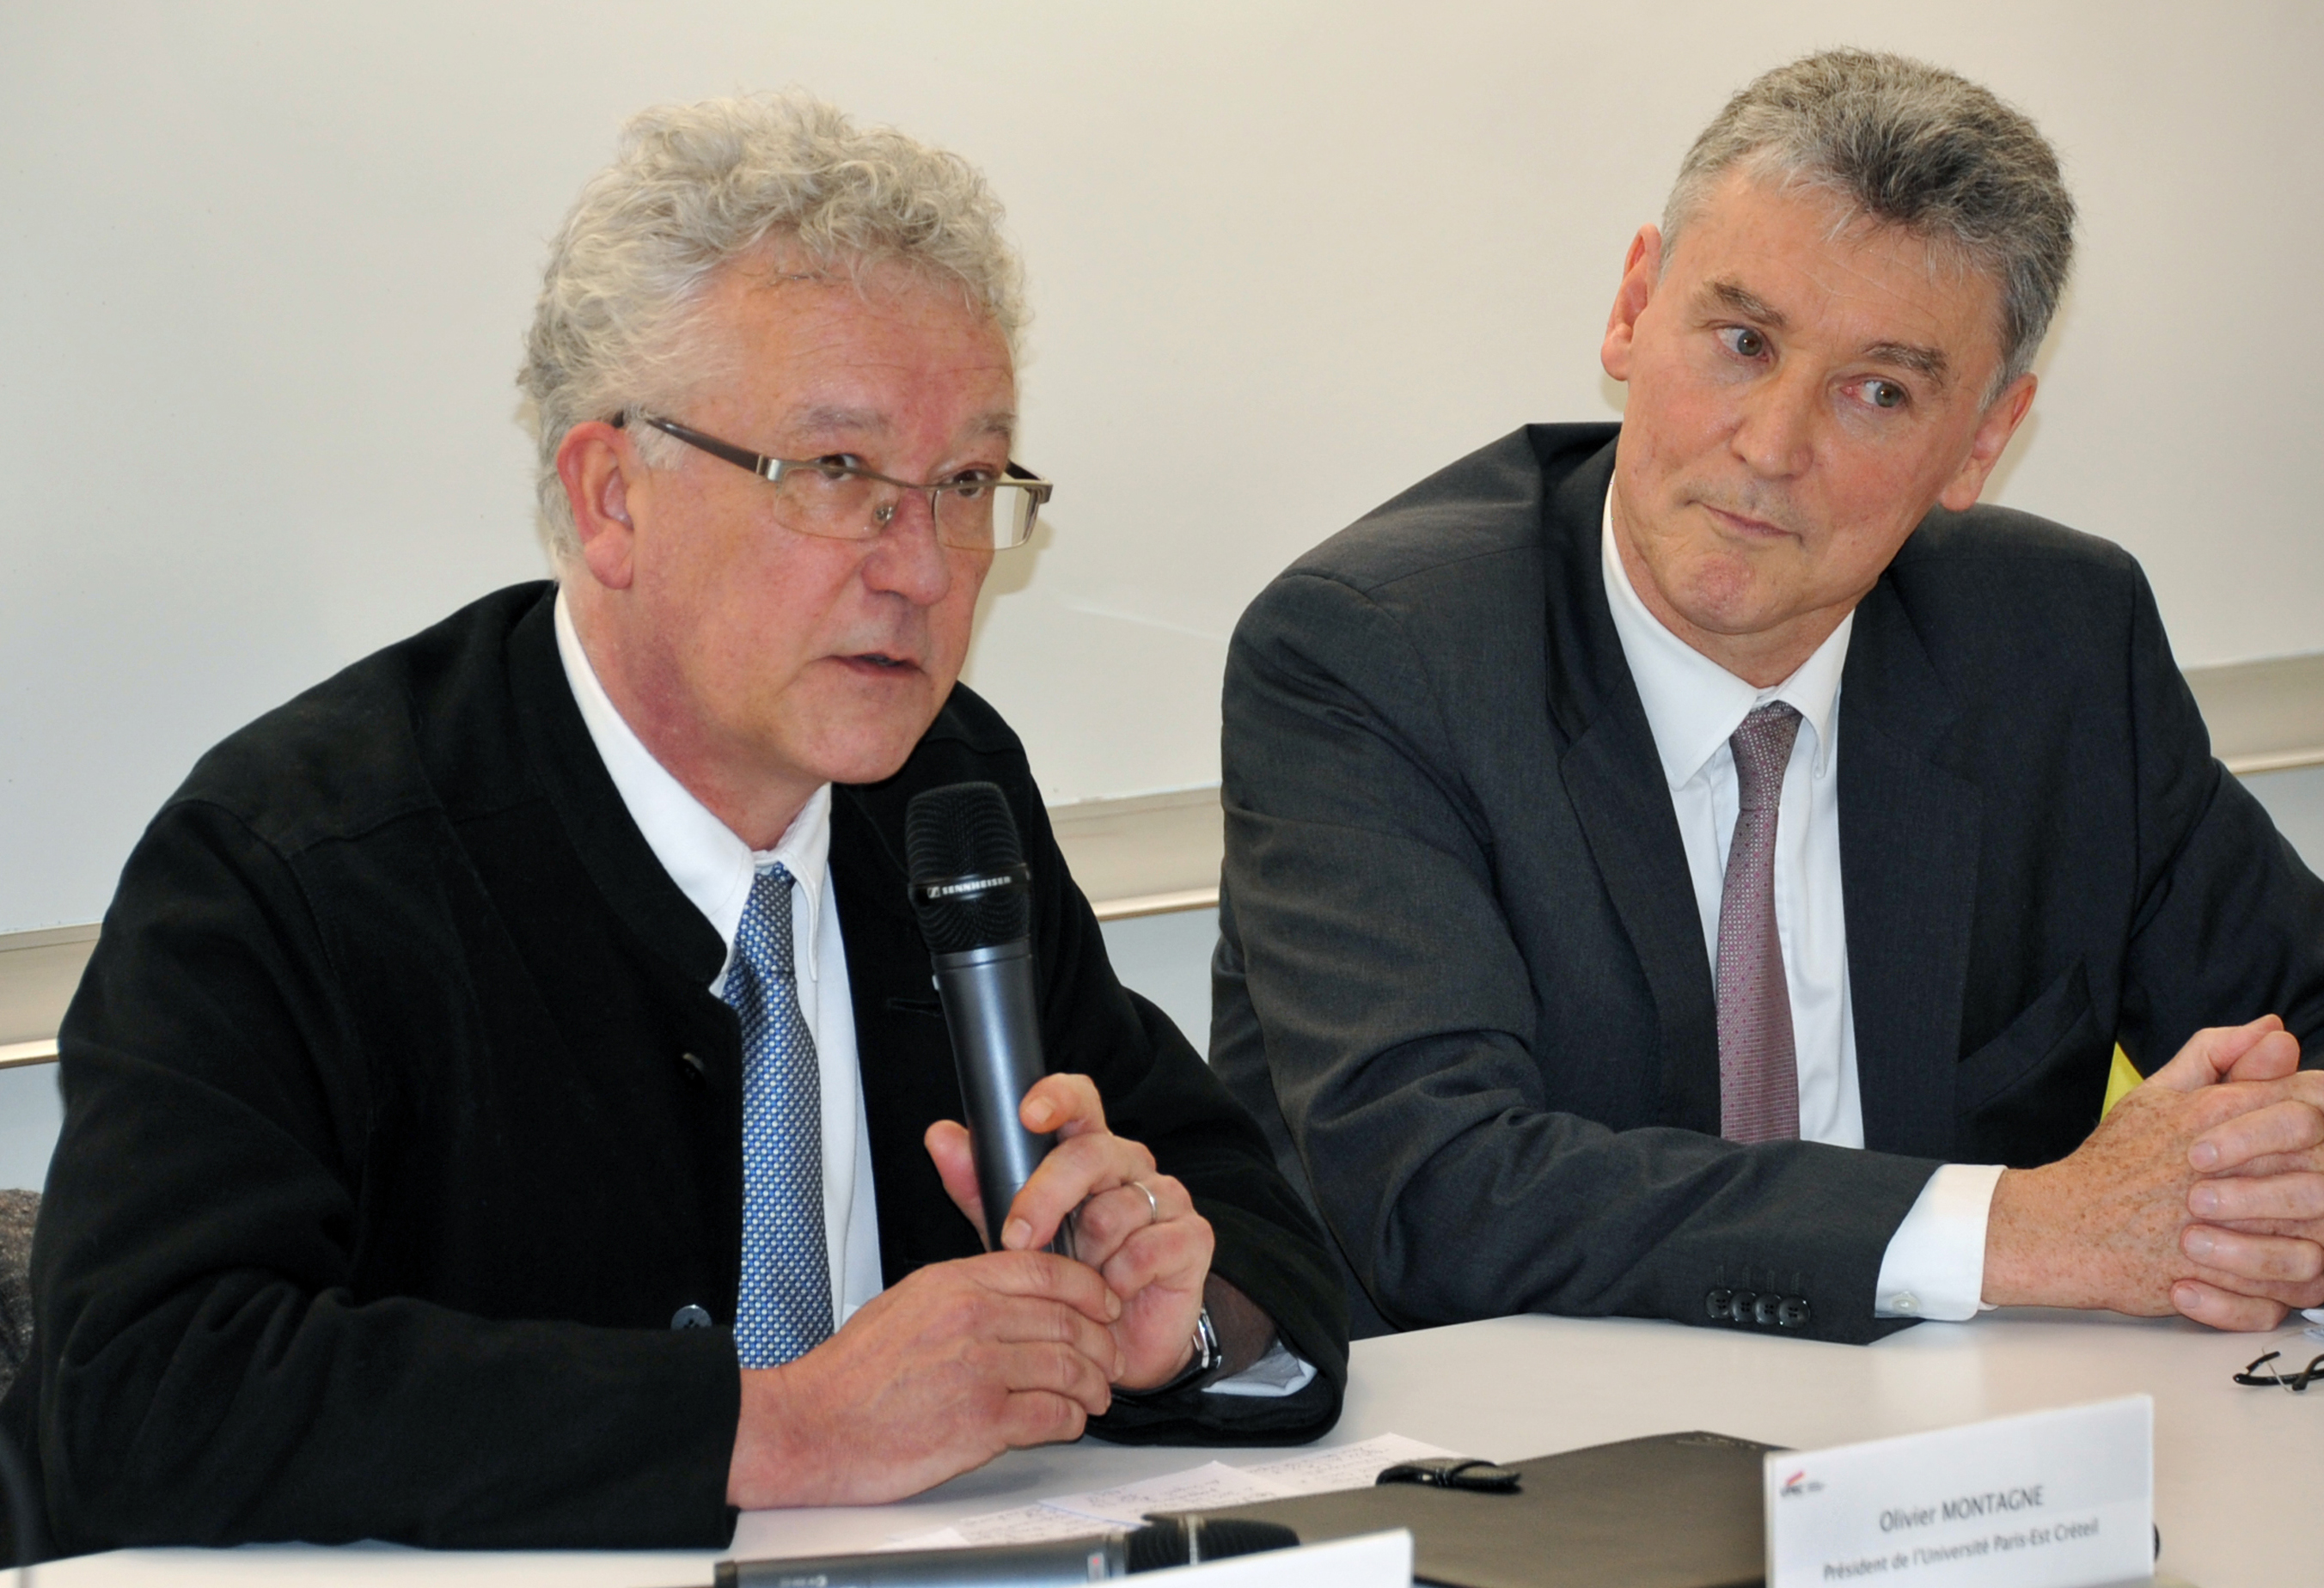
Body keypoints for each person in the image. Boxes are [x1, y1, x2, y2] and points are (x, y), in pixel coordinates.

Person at [0, 91, 1345, 1558]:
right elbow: (140, 1392)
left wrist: (1177, 1319)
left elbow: (1244, 1212)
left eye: (964, 484)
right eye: (838, 475)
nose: (918, 568)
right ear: (609, 497)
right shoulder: (294, 860)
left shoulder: (945, 794)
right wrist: (781, 1431)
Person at [1213, 49, 2324, 1347]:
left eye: (1877, 391)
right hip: (1534, 1482)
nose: (1772, 446)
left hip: (1975, 1478)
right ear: (1632, 308)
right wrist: (2025, 1228)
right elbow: (1442, 1193)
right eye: (1742, 341)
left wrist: (2267, 1183)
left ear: (1984, 440)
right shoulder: (1378, 658)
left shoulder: (2056, 643)